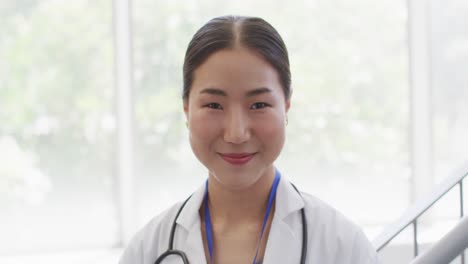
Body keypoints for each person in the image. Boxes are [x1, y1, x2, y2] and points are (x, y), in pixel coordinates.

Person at [119, 15, 379, 264]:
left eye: (258, 105)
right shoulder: (147, 251)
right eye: (213, 105)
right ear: (186, 108)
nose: (236, 134)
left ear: (286, 107)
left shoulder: (344, 248)